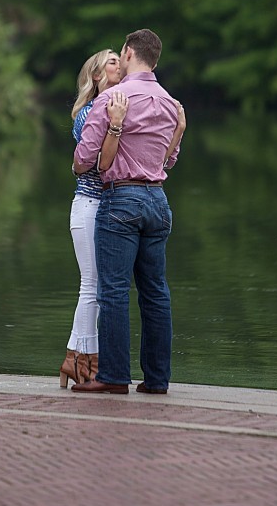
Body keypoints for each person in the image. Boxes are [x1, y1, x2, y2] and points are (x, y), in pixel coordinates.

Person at [71, 29, 186, 395]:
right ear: (155, 59)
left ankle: (115, 376)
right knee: (156, 292)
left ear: (128, 52)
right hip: (159, 200)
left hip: (122, 199)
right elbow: (169, 159)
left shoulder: (114, 99)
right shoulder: (170, 103)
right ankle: (156, 380)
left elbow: (82, 160)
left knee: (114, 290)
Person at [59, 49, 129, 388]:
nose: (119, 65)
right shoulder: (87, 112)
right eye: (111, 61)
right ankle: (84, 359)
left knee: (99, 286)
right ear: (97, 76)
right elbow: (97, 161)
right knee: (93, 285)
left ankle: (75, 357)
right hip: (89, 204)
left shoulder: (124, 107)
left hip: (112, 207)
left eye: (120, 59)